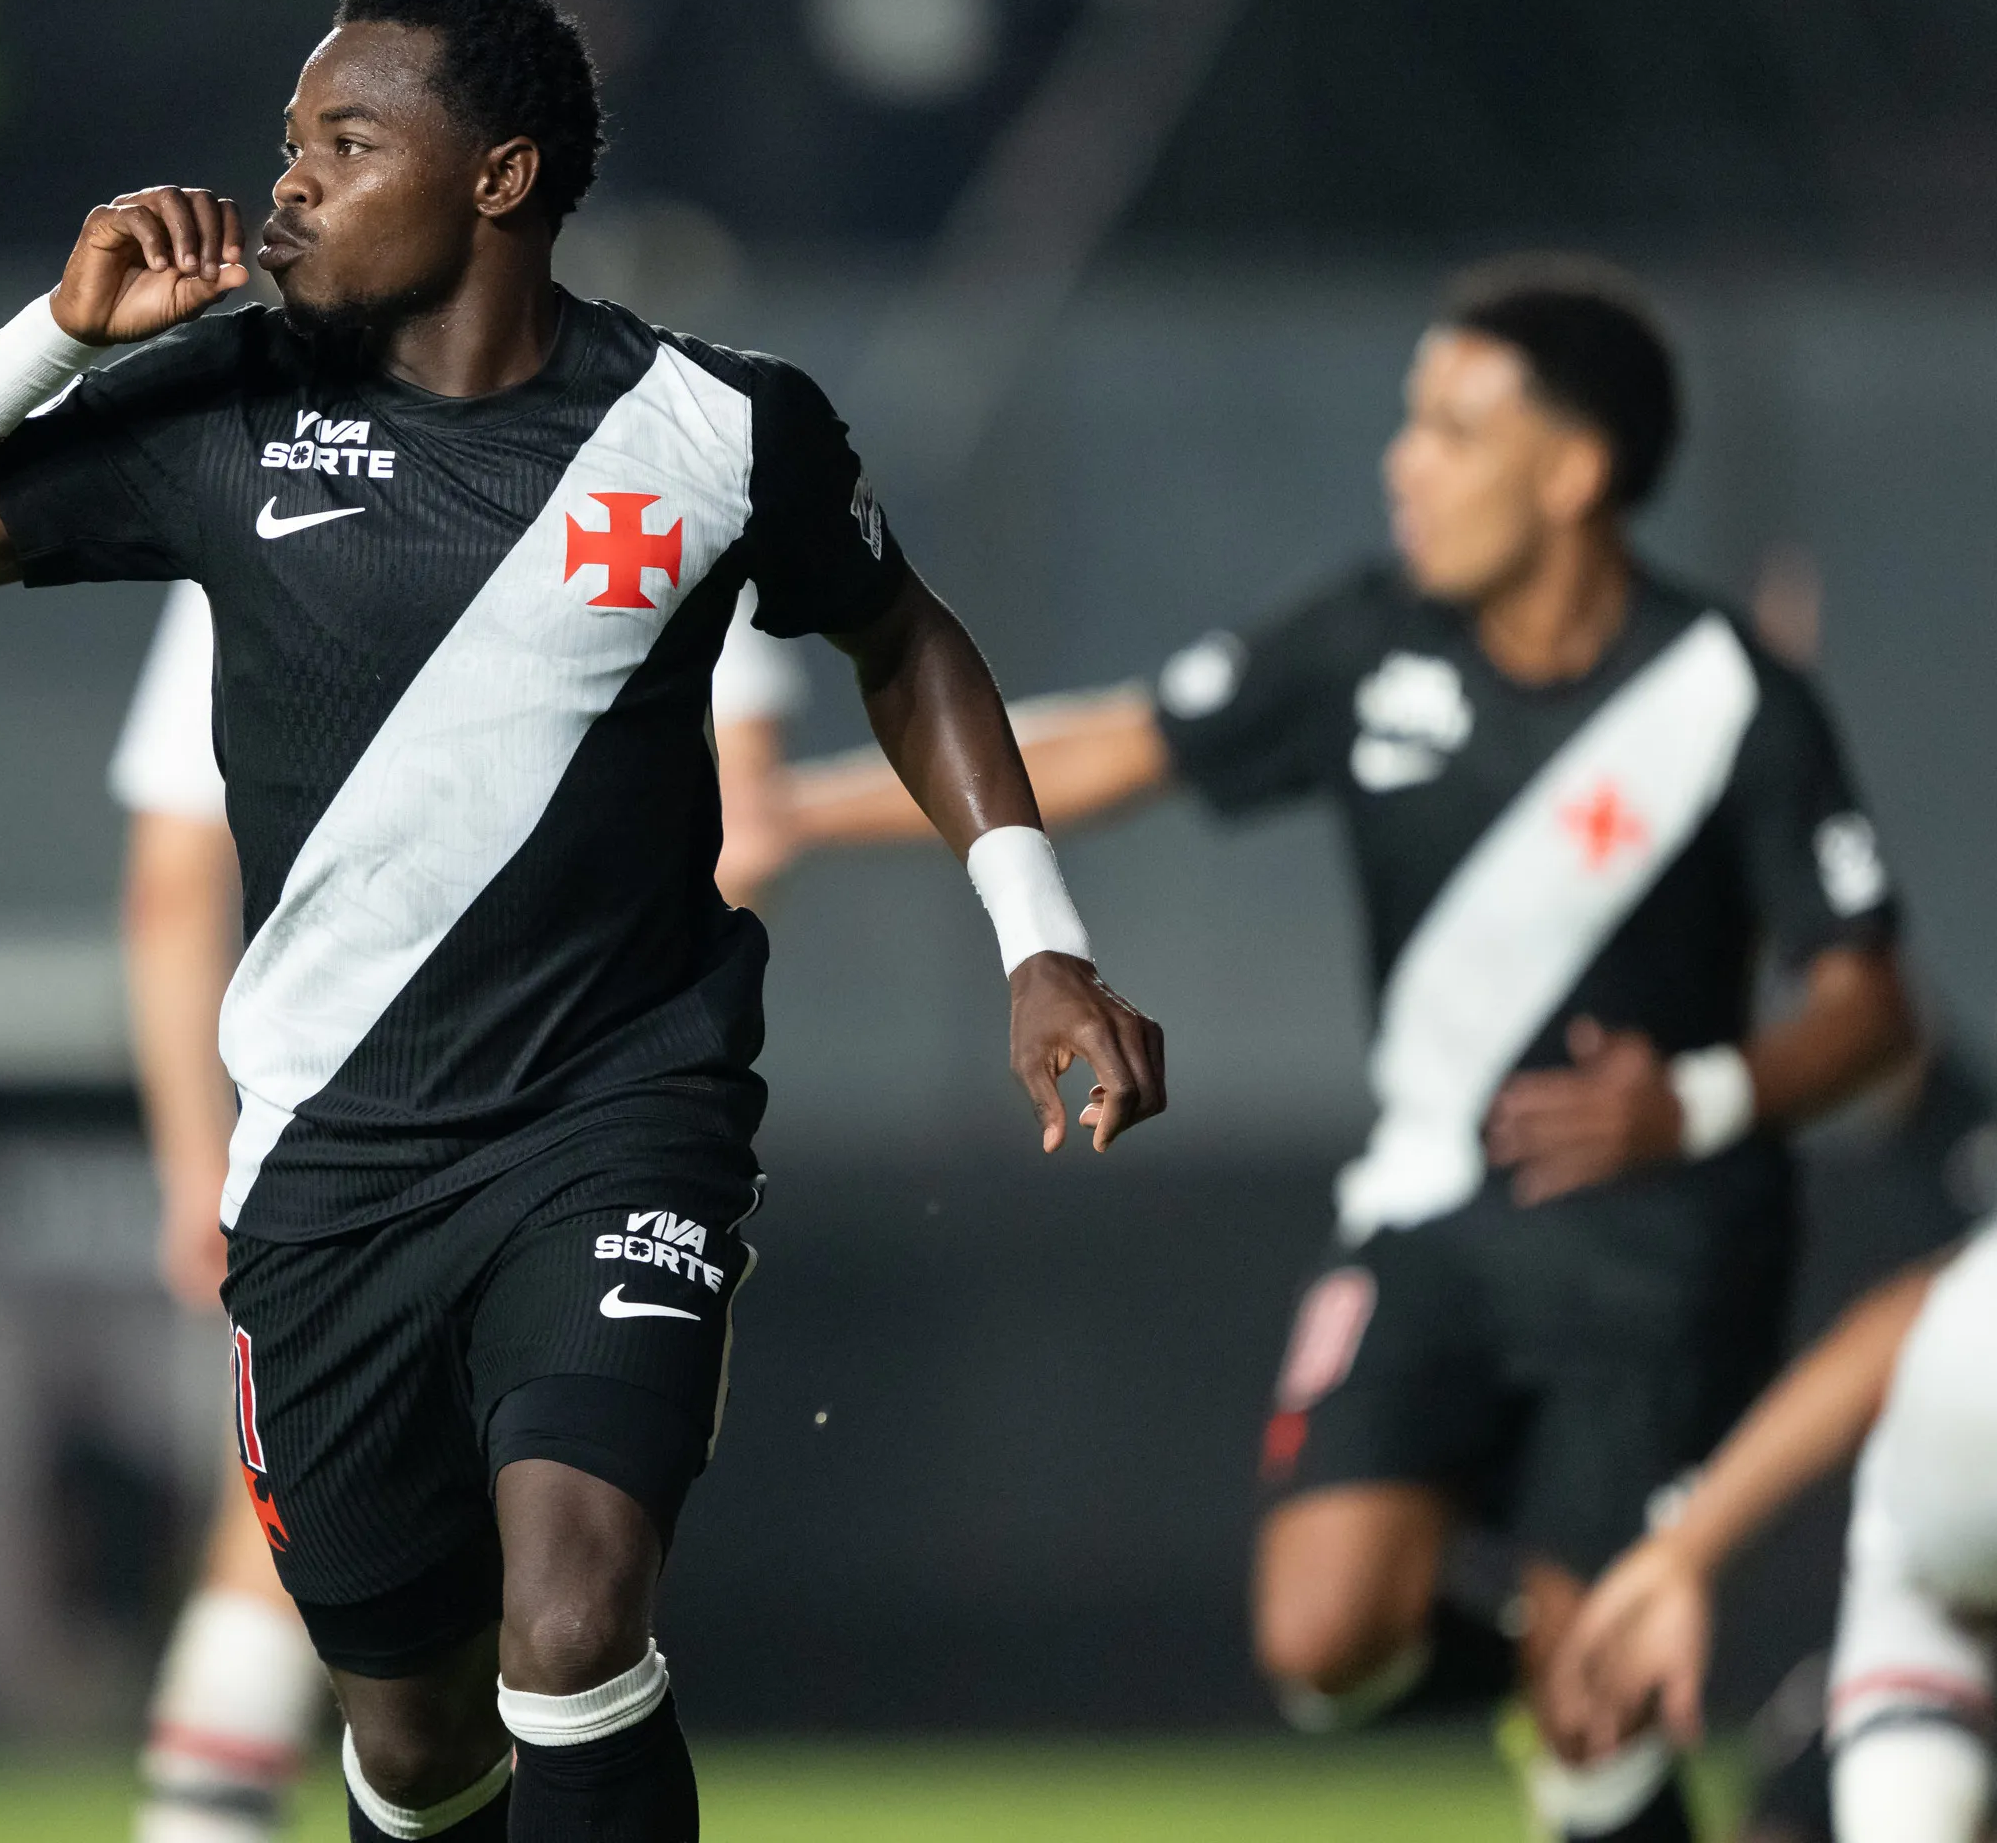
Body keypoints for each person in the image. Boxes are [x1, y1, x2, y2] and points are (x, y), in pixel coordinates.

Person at [0, 0, 1163, 1843]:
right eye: (289, 142)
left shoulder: (719, 430)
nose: (291, 183)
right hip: (331, 1166)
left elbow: (900, 635)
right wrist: (54, 334)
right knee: (418, 1738)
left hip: (617, 1120)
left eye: (347, 142)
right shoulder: (223, 408)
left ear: (499, 177)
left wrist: (1039, 938)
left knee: (576, 1620)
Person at [792, 254, 1915, 1842]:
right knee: (1321, 1640)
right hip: (1431, 1215)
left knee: (1593, 1742)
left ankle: (1599, 1708)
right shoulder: (1373, 637)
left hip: (1661, 1248)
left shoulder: (1730, 694)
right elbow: (1123, 737)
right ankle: (1570, 1663)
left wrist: (1699, 1099)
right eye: (1411, 420)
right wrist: (798, 812)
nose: (1406, 459)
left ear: (1576, 472)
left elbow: (1878, 1013)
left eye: (1454, 428)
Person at [112, 579, 805, 1842]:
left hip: (341, 1137)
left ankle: (200, 1818)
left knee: (393, 1602)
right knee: (533, 1605)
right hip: (589, 1121)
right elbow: (744, 827)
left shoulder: (269, 475)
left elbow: (170, 878)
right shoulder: (683, 446)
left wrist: (193, 1160)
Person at [1548, 1220, 1997, 1842]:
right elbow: (1909, 1325)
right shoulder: (1967, 1341)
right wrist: (1681, 1551)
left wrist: (1683, 1551)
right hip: (1928, 1572)